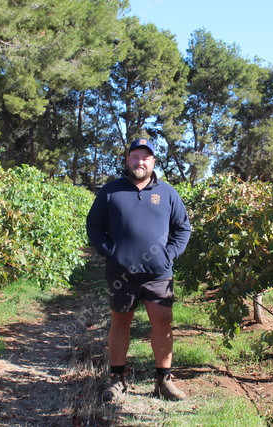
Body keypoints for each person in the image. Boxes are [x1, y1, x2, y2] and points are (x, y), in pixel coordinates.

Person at [86, 138, 191, 403]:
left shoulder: (168, 193)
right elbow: (94, 225)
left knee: (163, 323)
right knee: (120, 322)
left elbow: (183, 228)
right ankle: (117, 380)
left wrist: (169, 255)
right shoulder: (110, 191)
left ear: (153, 161)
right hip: (121, 274)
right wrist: (109, 253)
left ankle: (163, 381)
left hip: (158, 274)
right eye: (135, 156)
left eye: (145, 157)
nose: (140, 161)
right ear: (127, 160)